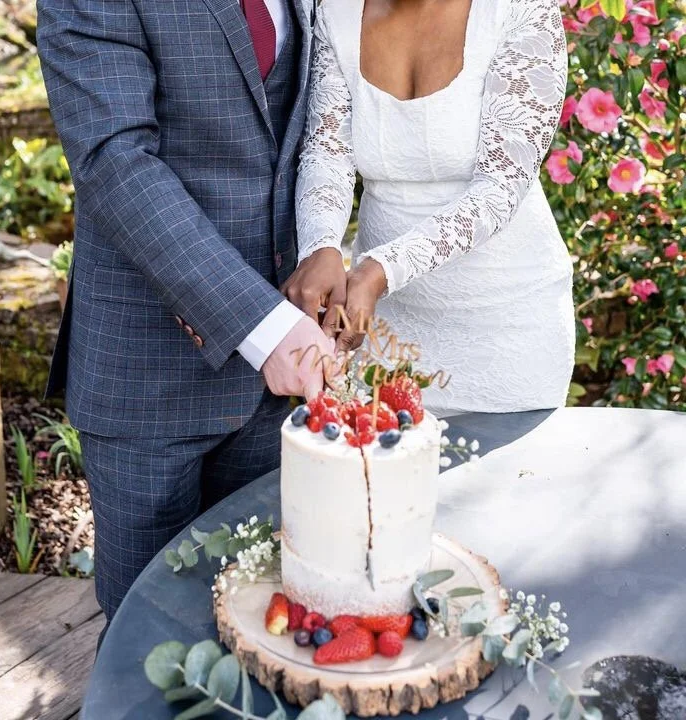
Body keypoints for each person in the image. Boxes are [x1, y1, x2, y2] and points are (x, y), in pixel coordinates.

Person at [36, 0, 331, 624]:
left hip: (273, 388)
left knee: (265, 631)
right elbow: (114, 161)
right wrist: (262, 326)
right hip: (148, 374)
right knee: (149, 649)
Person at [287, 0, 576, 415]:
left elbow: (500, 188)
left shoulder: (519, 9)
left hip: (506, 325)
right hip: (383, 327)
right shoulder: (338, 12)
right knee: (389, 470)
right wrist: (321, 247)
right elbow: (327, 154)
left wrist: (380, 270)